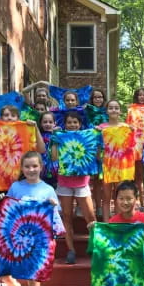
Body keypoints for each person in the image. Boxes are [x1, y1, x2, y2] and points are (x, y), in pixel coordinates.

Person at [0, 151, 63, 286]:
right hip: (17, 240)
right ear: (22, 168)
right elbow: (8, 212)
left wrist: (52, 205)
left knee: (34, 280)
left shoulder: (48, 190)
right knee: (3, 269)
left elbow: (55, 219)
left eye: (35, 166)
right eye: (27, 166)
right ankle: (12, 285)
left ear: (41, 167)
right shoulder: (16, 187)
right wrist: (1, 201)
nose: (31, 170)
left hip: (39, 242)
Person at [0, 105, 45, 271]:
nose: (8, 118)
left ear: (18, 118)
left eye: (12, 116)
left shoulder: (25, 130)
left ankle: (18, 251)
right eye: (5, 115)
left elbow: (41, 150)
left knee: (20, 218)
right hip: (0, 184)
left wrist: (35, 127)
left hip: (22, 183)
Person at [52, 112, 97, 264]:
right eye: (69, 122)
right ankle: (70, 250)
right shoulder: (60, 137)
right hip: (64, 183)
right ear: (65, 124)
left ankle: (96, 247)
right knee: (67, 217)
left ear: (80, 124)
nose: (72, 125)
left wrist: (96, 137)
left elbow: (96, 156)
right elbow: (53, 158)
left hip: (82, 183)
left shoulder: (87, 137)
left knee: (90, 217)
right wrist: (55, 142)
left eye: (75, 122)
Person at [97, 99, 134, 222]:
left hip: (122, 166)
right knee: (106, 196)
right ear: (107, 111)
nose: (114, 110)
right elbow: (97, 146)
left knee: (120, 195)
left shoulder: (125, 127)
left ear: (120, 111)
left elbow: (132, 146)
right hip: (107, 164)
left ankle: (119, 222)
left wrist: (132, 131)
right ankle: (107, 223)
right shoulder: (101, 127)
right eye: (111, 108)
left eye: (116, 108)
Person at [86, 88, 108, 217]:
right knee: (88, 178)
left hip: (105, 149)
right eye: (95, 97)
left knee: (100, 180)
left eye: (100, 97)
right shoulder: (86, 112)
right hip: (89, 147)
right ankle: (83, 205)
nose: (98, 99)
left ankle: (100, 207)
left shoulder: (107, 112)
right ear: (92, 99)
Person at [38, 111, 59, 188]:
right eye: (45, 122)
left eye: (50, 122)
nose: (48, 124)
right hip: (42, 170)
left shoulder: (59, 135)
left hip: (56, 170)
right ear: (40, 123)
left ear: (55, 123)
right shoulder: (38, 135)